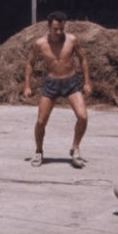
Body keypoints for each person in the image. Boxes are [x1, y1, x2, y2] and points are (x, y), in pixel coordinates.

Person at [23, 11, 92, 168]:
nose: (59, 32)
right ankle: (39, 151)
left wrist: (87, 82)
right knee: (41, 122)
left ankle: (75, 149)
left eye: (61, 28)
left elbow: (83, 59)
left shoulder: (72, 40)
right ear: (49, 27)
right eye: (55, 29)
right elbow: (29, 63)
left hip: (71, 82)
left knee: (83, 117)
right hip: (51, 83)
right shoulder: (40, 43)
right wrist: (27, 85)